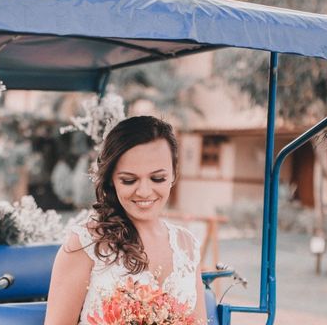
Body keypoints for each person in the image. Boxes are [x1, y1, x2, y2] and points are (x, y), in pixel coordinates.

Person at [45, 116, 207, 324]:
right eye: (129, 180)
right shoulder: (85, 243)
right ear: (112, 179)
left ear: (174, 174)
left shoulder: (188, 245)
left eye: (158, 178)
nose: (144, 191)